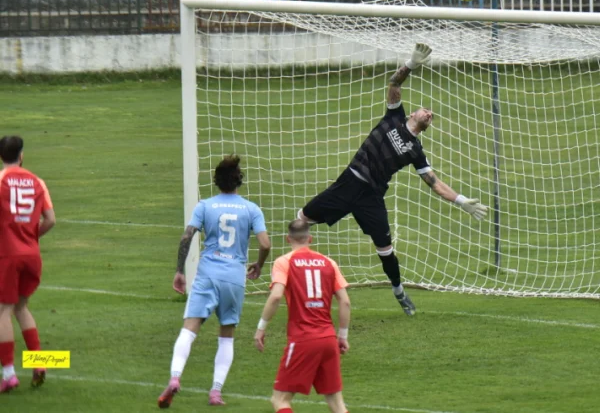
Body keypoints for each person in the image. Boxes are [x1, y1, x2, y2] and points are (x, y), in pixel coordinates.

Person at [298, 43, 488, 316]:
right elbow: (394, 83)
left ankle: (399, 290)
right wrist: (411, 64)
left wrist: (461, 201)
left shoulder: (416, 151)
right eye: (426, 110)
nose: (429, 114)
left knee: (386, 249)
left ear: (426, 126)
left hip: (371, 197)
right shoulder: (394, 116)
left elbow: (434, 183)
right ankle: (292, 268)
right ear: (412, 113)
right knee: (302, 218)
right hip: (349, 182)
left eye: (431, 116)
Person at [158, 154, 271, 408]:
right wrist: (259, 265)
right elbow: (265, 243)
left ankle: (175, 378)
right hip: (234, 278)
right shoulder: (251, 209)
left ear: (216, 181)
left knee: (189, 329)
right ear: (239, 181)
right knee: (226, 335)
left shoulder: (205, 206)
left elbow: (187, 236)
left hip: (207, 274)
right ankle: (215, 392)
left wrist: (180, 271)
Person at [254, 219, 351, 413]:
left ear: (288, 238)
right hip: (328, 340)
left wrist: (261, 328)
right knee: (337, 403)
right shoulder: (329, 262)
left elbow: (276, 297)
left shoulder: (284, 262)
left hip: (303, 339)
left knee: (280, 399)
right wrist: (342, 336)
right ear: (310, 238)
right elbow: (345, 301)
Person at [0, 136, 56, 393]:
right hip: (31, 254)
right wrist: (31, 238)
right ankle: (39, 362)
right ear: (21, 154)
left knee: (3, 310)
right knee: (21, 307)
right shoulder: (37, 181)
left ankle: (9, 374)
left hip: (6, 255)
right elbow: (50, 219)